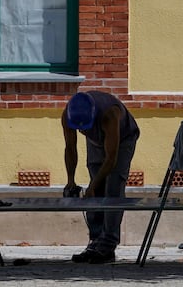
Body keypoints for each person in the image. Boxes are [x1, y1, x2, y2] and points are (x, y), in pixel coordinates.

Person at [62, 91, 140, 264]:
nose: (82, 130)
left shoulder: (110, 114)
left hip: (123, 140)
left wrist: (93, 185)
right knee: (95, 189)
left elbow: (111, 159)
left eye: (85, 127)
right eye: (79, 128)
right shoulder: (67, 114)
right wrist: (70, 181)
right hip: (96, 140)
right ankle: (95, 242)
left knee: (112, 188)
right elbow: (70, 148)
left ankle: (108, 246)